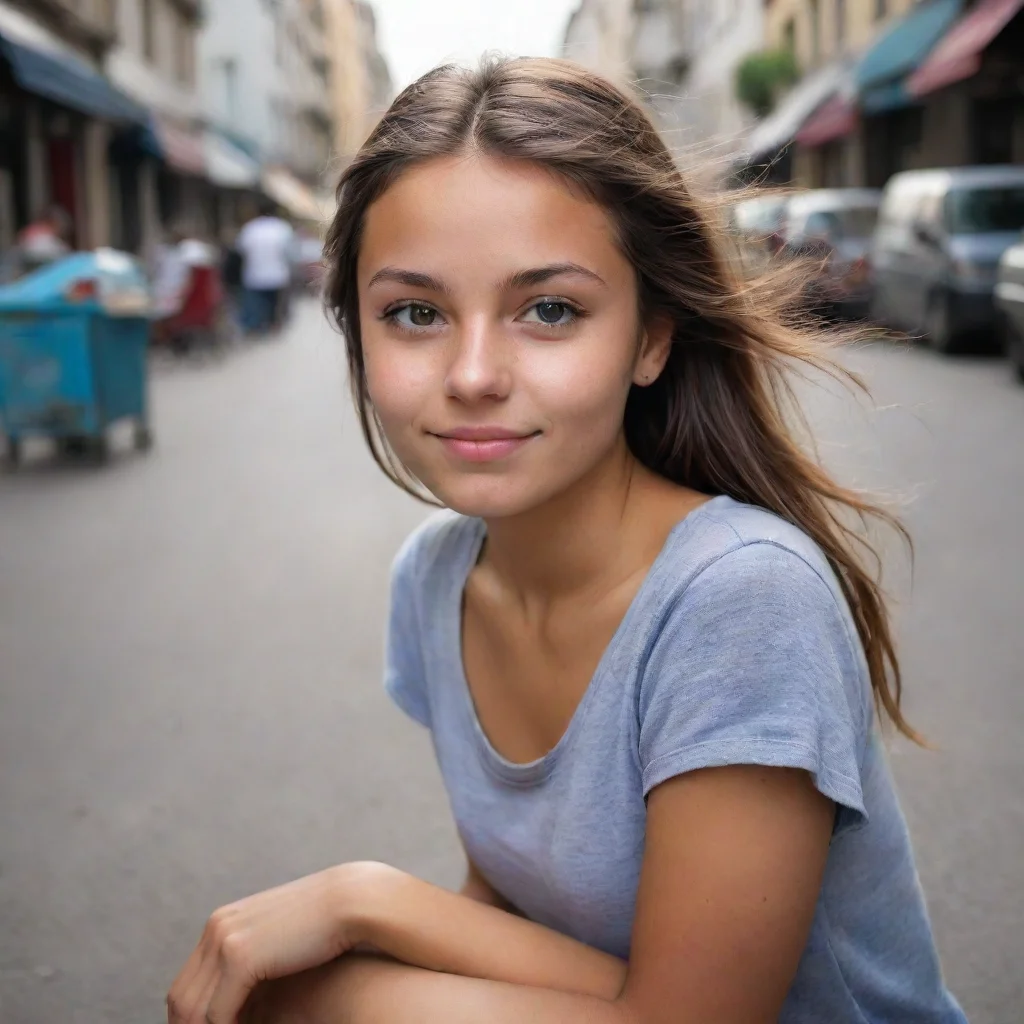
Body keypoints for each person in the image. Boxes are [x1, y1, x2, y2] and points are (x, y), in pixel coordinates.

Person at [167, 58, 967, 1024]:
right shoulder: (435, 579)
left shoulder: (744, 599)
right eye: (415, 313)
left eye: (550, 310)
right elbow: (516, 916)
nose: (473, 375)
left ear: (651, 338)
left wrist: (361, 910)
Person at [235, 199, 295, 335]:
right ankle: (272, 325)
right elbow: (290, 253)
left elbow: (240, 250)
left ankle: (256, 328)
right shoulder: (283, 228)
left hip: (254, 275)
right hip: (278, 275)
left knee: (256, 305)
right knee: (274, 305)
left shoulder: (250, 228)